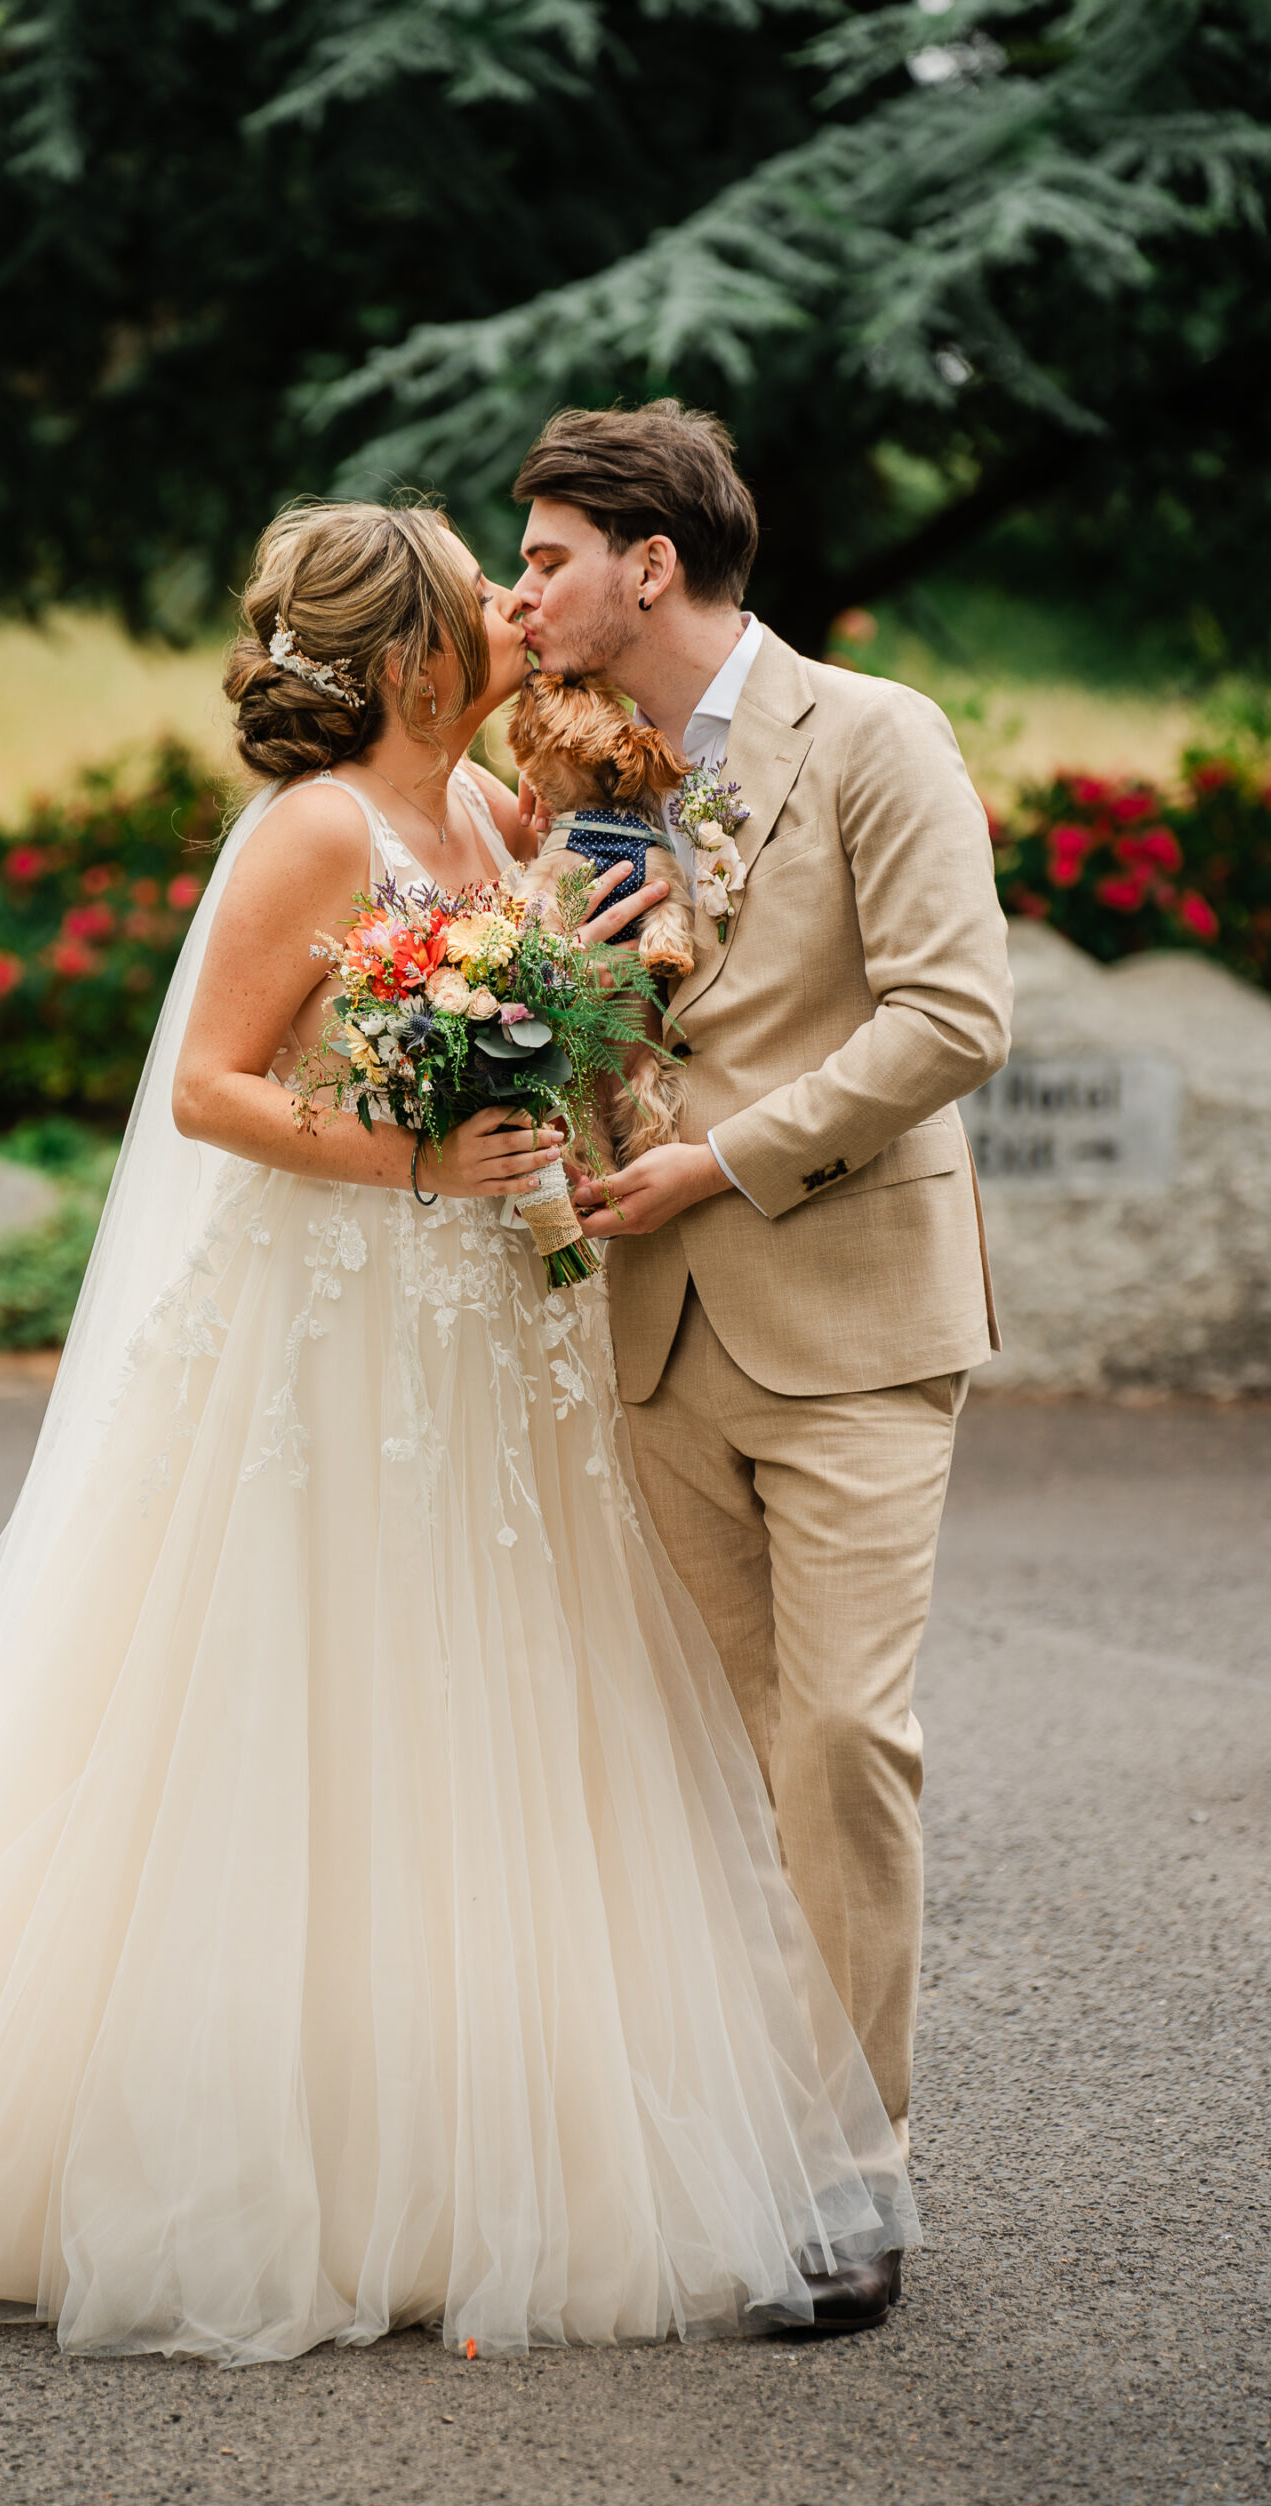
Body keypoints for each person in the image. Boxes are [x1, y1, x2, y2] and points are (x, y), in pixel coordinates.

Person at [0, 500, 915, 2363]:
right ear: (414, 651)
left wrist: (615, 985)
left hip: (490, 1343)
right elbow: (207, 1089)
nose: (513, 606)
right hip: (347, 1331)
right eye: (478, 589)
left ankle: (448, 2146)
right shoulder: (314, 833)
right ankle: (249, 2152)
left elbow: (564, 1006)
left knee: (475, 1715)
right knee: (309, 1707)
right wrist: (420, 1154)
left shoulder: (498, 814)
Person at [512, 403, 1014, 2326]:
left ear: (652, 564)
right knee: (720, 1767)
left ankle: (856, 2171)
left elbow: (957, 1010)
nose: (524, 589)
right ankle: (750, 2144)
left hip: (858, 1322)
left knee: (841, 1739)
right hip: (647, 1333)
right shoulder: (577, 777)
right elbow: (602, 1029)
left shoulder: (876, 733)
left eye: (547, 554)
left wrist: (721, 1154)